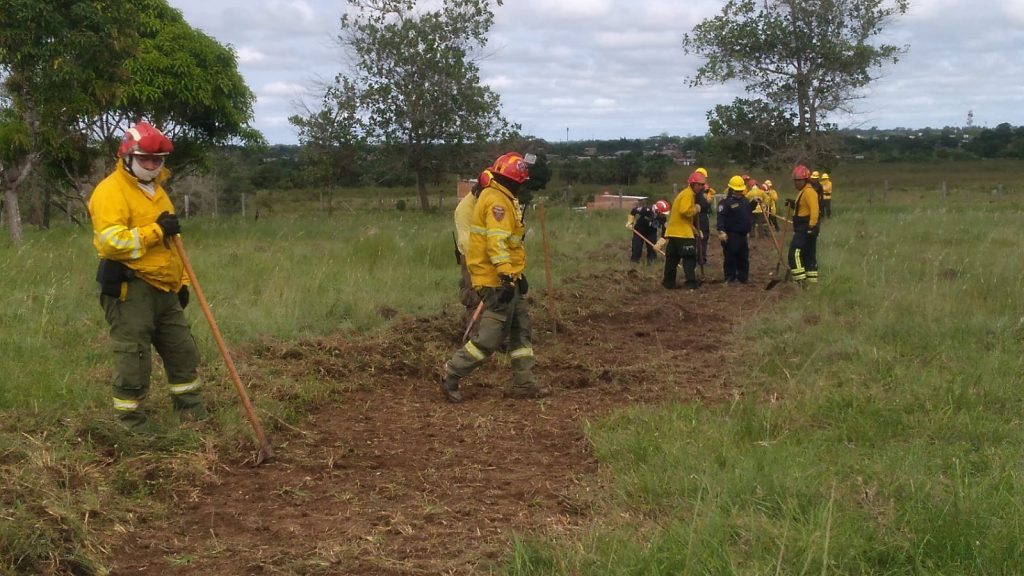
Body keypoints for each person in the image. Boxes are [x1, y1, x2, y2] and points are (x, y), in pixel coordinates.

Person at [88, 122, 207, 430]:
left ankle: (191, 414)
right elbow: (110, 242)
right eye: (145, 158)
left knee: (182, 350)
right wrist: (155, 231)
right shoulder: (110, 192)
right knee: (134, 357)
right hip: (131, 288)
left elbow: (171, 246)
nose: (152, 165)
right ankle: (132, 424)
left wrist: (181, 284)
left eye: (158, 160)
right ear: (128, 157)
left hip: (165, 289)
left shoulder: (158, 193)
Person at [441, 152, 549, 402]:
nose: (522, 186)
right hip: (495, 282)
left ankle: (524, 383)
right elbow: (496, 243)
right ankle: (451, 373)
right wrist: (506, 276)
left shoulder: (504, 197)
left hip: (507, 276)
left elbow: (509, 244)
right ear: (514, 180)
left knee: (521, 330)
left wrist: (517, 274)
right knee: (489, 337)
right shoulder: (497, 202)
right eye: (521, 182)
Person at [453, 170, 490, 321]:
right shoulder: (464, 210)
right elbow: (467, 243)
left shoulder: (492, 203)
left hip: (492, 256)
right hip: (472, 258)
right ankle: (475, 336)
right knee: (475, 296)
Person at [662, 171, 704, 290]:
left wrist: (694, 230)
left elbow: (683, 219)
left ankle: (668, 283)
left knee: (672, 259)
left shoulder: (684, 193)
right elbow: (685, 211)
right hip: (683, 234)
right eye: (699, 185)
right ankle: (691, 283)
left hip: (674, 232)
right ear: (693, 184)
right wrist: (696, 208)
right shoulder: (688, 194)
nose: (701, 187)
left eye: (702, 185)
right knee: (689, 258)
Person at [786, 164, 821, 285]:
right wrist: (793, 204)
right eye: (795, 181)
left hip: (806, 227)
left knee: (794, 252)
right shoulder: (803, 192)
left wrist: (811, 225)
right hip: (805, 227)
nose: (796, 183)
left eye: (798, 180)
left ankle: (800, 280)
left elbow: (814, 209)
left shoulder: (809, 192)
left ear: (805, 180)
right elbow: (804, 207)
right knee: (808, 254)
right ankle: (811, 283)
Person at [717, 175, 755, 283]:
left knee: (743, 257)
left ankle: (743, 277)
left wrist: (755, 202)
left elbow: (747, 210)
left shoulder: (744, 200)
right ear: (731, 189)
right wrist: (721, 231)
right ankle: (730, 277)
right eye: (737, 191)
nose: (739, 193)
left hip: (743, 235)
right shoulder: (725, 203)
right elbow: (721, 217)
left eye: (740, 191)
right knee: (730, 256)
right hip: (731, 234)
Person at [626, 198, 661, 264]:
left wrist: (660, 243)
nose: (663, 215)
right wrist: (630, 222)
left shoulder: (662, 217)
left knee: (652, 249)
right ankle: (634, 262)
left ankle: (651, 263)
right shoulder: (645, 210)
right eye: (662, 213)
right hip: (639, 230)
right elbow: (633, 211)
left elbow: (664, 231)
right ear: (657, 210)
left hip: (651, 232)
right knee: (637, 248)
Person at [694, 167, 713, 268]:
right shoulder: (701, 190)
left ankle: (697, 259)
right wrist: (707, 201)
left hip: (696, 215)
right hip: (700, 216)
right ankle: (701, 260)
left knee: (696, 238)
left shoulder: (692, 187)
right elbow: (702, 203)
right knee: (703, 237)